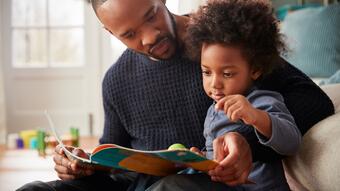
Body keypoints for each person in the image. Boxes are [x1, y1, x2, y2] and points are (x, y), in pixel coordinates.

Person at [17, 0, 334, 190]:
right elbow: (115, 159)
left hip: (206, 183)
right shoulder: (115, 80)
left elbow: (313, 100)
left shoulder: (222, 45)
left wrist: (249, 146)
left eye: (151, 14)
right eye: (129, 34)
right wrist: (82, 165)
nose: (150, 35)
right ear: (110, 32)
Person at [182, 0, 300, 190]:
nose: (215, 83)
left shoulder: (261, 100)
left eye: (227, 74)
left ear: (255, 69)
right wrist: (201, 159)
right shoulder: (212, 111)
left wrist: (256, 116)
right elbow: (220, 160)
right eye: (207, 72)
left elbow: (291, 143)